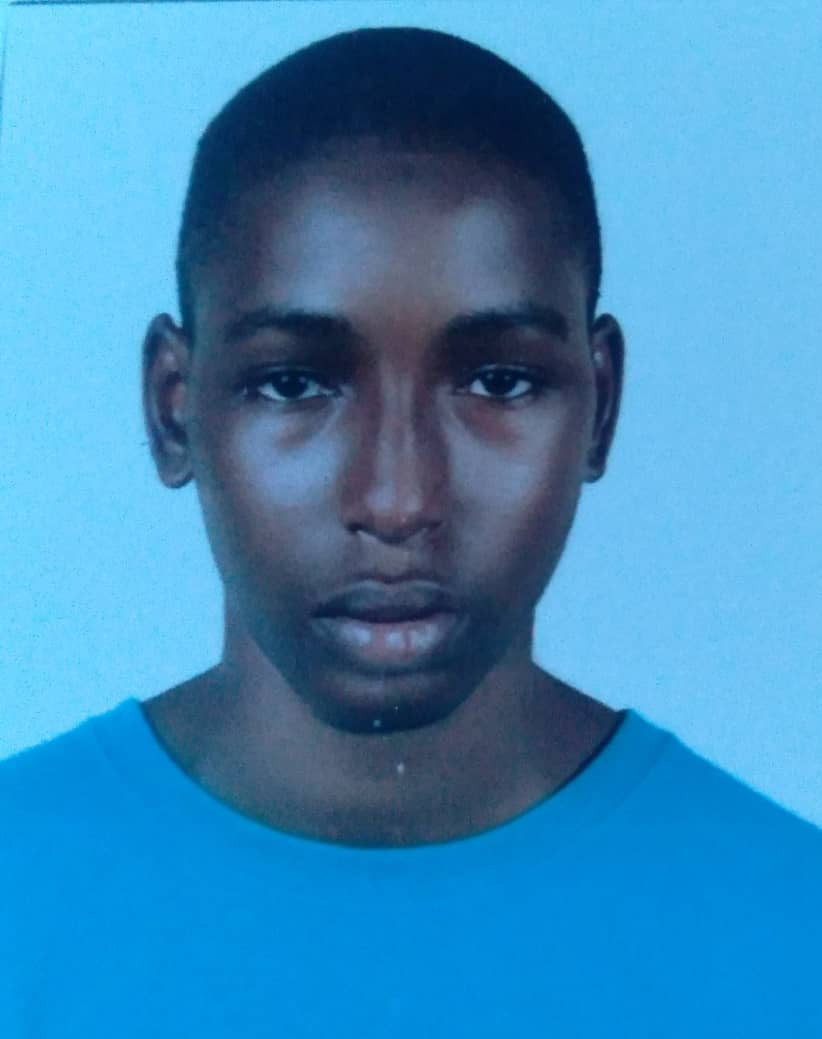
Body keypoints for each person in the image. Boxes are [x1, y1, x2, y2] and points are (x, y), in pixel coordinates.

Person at [1, 27, 819, 1037]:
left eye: (499, 381)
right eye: (292, 383)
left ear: (600, 407)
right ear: (174, 410)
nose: (396, 499)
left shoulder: (793, 936)